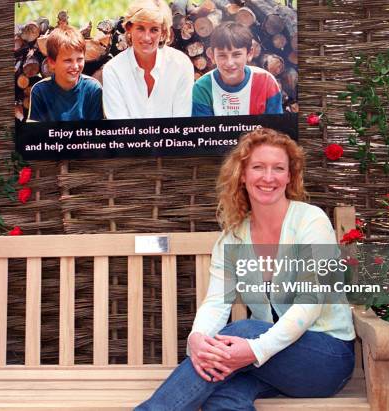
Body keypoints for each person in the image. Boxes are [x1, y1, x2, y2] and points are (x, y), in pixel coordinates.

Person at [136, 128, 355, 410]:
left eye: (278, 168)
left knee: (242, 331)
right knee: (222, 398)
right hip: (271, 359)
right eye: (258, 167)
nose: (268, 177)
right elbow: (216, 303)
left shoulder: (310, 222)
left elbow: (309, 304)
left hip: (326, 358)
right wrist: (197, 340)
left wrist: (253, 349)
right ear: (243, 174)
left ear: (289, 176)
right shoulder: (233, 237)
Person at [102, 0, 194, 119]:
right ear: (129, 28)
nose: (146, 37)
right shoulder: (113, 70)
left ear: (163, 32)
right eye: (140, 28)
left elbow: (182, 123)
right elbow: (120, 129)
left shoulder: (181, 65)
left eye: (154, 30)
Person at [192, 22, 283, 117]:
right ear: (212, 55)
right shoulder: (202, 87)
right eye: (222, 55)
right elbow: (203, 129)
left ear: (250, 53)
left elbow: (275, 128)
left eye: (236, 55)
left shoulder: (267, 81)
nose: (229, 63)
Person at [27, 26, 103, 122]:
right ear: (51, 63)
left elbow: (97, 133)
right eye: (68, 60)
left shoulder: (93, 89)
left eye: (79, 59)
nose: (75, 66)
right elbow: (35, 134)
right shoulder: (40, 91)